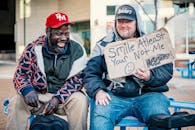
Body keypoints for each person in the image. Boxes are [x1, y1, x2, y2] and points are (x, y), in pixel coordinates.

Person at [83, 4, 173, 130]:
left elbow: (166, 71)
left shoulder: (152, 42)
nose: (124, 25)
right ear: (115, 22)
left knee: (160, 121)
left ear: (137, 22)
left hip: (148, 95)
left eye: (129, 21)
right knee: (99, 122)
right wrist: (98, 91)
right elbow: (90, 74)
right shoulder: (103, 45)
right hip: (113, 96)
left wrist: (149, 76)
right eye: (120, 21)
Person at [6, 12, 88, 130]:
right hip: (38, 96)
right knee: (16, 101)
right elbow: (21, 74)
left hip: (64, 97)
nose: (64, 38)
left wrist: (57, 98)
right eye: (58, 34)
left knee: (81, 100)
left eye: (66, 33)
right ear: (48, 32)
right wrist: (27, 90)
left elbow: (77, 80)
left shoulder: (77, 50)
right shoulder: (33, 48)